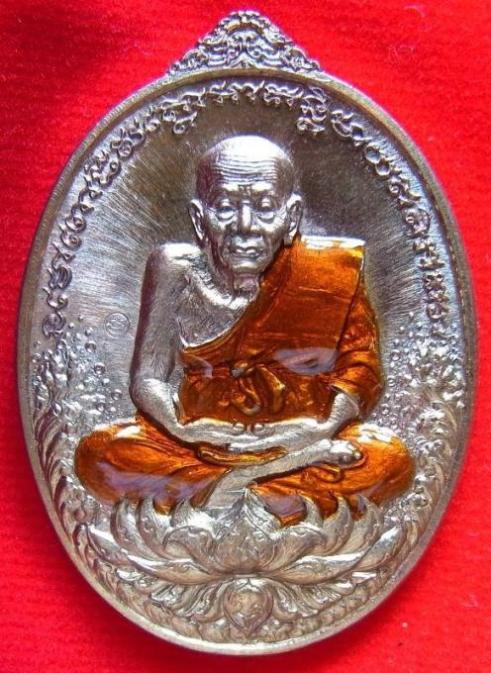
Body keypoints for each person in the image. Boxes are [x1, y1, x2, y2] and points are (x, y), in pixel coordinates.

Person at [75, 135, 413, 525]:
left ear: (291, 217)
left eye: (265, 208)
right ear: (200, 219)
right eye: (225, 207)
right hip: (201, 442)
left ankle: (218, 494)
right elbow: (149, 378)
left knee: (389, 459)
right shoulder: (174, 270)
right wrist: (182, 429)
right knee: (101, 453)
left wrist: (321, 428)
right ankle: (265, 494)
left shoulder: (330, 274)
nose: (245, 226)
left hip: (301, 436)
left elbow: (360, 370)